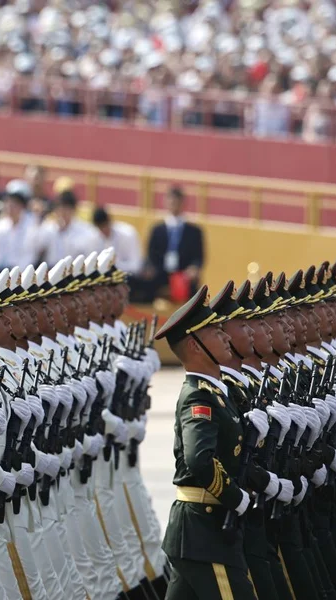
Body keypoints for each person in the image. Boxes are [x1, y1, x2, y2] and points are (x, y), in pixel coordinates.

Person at [153, 284, 256, 599]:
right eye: (215, 331)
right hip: (205, 530)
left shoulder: (219, 393)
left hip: (199, 533)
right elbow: (199, 459)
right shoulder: (199, 396)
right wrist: (235, 497)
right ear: (195, 346)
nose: (225, 336)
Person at [144, 186, 204, 302]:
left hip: (183, 274)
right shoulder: (157, 230)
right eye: (170, 201)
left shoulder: (194, 231)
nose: (173, 204)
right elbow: (151, 254)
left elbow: (198, 257)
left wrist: (193, 268)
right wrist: (151, 268)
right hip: (161, 273)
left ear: (183, 203)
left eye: (177, 202)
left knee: (192, 285)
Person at [0, 181, 39, 271]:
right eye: (8, 201)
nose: (11, 206)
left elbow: (32, 255)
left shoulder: (33, 228)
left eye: (16, 203)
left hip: (21, 274)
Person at [36, 189, 99, 264]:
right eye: (59, 208)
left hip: (73, 268)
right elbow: (38, 249)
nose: (62, 212)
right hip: (51, 268)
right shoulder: (48, 227)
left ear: (73, 209)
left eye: (66, 209)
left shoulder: (86, 231)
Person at [91, 206, 142, 274]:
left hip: (127, 275)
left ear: (110, 222)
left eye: (105, 226)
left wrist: (115, 266)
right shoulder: (95, 236)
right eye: (100, 228)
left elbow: (136, 266)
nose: (103, 230)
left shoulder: (128, 234)